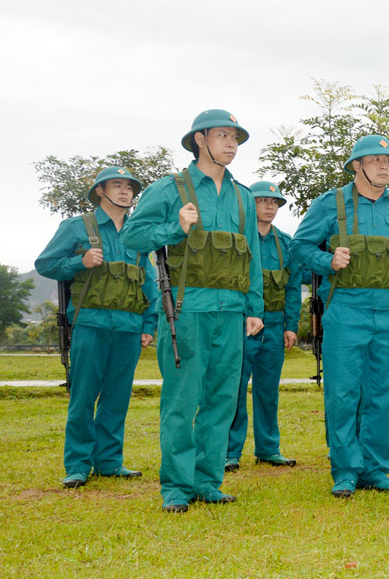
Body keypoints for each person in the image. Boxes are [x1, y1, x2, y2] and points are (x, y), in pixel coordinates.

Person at [123, 110, 264, 513]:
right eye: (223, 136)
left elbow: (251, 256)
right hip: (186, 312)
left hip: (232, 312)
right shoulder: (171, 188)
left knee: (223, 400)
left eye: (236, 138)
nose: (232, 144)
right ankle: (177, 487)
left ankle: (207, 481)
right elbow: (133, 235)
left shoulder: (243, 197)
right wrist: (174, 228)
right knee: (182, 401)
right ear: (200, 139)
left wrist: (255, 308)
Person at [291, 135, 389, 498]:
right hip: (346, 309)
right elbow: (299, 246)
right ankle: (346, 470)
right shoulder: (330, 204)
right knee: (344, 393)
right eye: (376, 159)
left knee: (384, 394)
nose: (385, 166)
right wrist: (326, 261)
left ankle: (375, 470)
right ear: (356, 166)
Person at [35, 166, 156, 488]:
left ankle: (109, 462)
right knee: (84, 396)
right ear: (100, 190)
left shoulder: (138, 233)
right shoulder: (77, 227)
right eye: (116, 186)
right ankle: (77, 465)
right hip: (90, 323)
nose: (124, 192)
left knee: (117, 398)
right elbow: (45, 264)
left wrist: (150, 323)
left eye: (129, 187)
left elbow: (150, 286)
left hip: (129, 327)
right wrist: (80, 262)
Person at [225, 181, 302, 472]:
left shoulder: (286, 243)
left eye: (275, 202)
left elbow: (293, 288)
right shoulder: (239, 239)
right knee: (234, 389)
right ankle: (229, 451)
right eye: (263, 201)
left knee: (268, 391)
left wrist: (290, 326)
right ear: (250, 204)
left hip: (274, 325)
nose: (270, 207)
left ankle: (268, 449)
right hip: (241, 325)